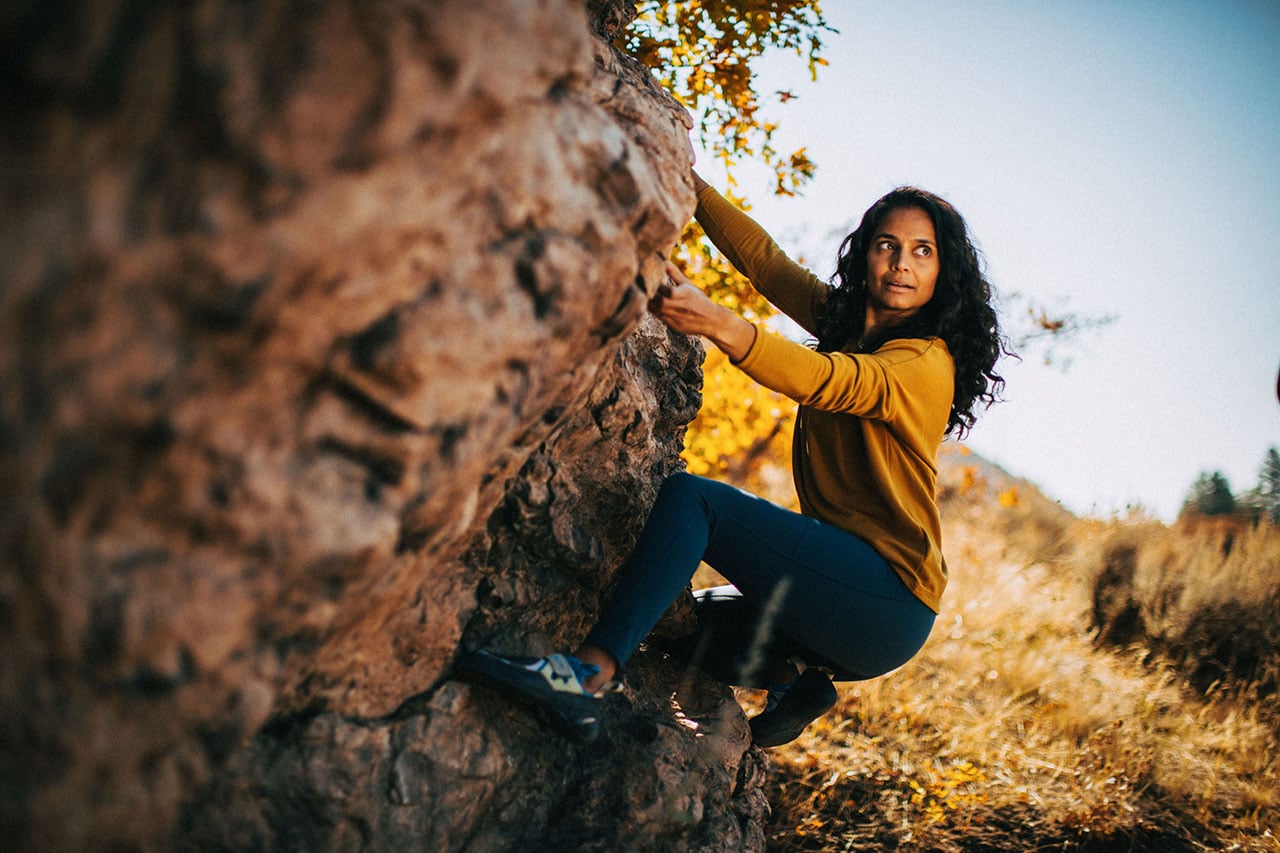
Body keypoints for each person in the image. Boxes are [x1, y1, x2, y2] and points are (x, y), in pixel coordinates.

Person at [456, 168, 1006, 745]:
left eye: (923, 252)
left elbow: (828, 380)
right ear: (865, 253)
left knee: (697, 502)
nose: (901, 264)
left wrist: (715, 321)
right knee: (670, 619)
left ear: (943, 273)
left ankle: (583, 678)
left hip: (885, 599)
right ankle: (797, 680)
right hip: (828, 604)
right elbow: (766, 263)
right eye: (887, 245)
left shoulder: (924, 361)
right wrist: (688, 185)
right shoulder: (849, 324)